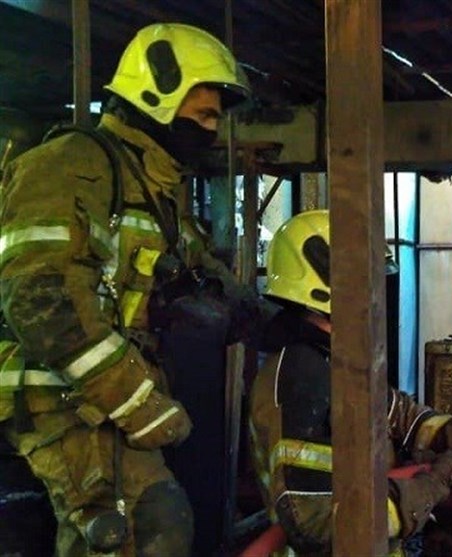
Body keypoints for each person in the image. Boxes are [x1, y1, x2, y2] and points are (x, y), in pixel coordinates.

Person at [0, 23, 272, 556]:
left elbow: (203, 274)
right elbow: (41, 301)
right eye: (204, 116)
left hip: (94, 397)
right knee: (145, 527)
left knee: (161, 518)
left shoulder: (150, 187)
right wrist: (137, 403)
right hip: (55, 394)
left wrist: (279, 320)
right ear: (156, 96)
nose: (212, 130)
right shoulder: (73, 166)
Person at [248, 210, 452, 555]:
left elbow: (404, 419)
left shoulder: (332, 362)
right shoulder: (300, 377)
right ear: (322, 284)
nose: (375, 293)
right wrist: (424, 489)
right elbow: (315, 524)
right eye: (364, 278)